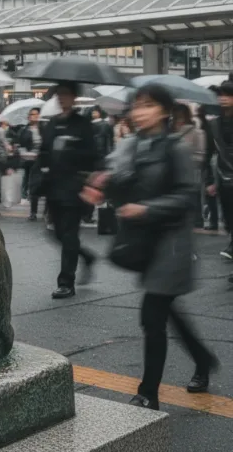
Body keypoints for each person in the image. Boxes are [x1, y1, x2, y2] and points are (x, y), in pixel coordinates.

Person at [92, 84, 217, 410]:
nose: (139, 111)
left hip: (171, 244)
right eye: (136, 106)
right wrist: (104, 184)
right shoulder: (133, 146)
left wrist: (147, 209)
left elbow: (187, 198)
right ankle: (203, 359)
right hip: (146, 243)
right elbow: (125, 188)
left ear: (163, 110)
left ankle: (148, 393)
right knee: (167, 311)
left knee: (152, 315)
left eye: (147, 105)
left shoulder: (174, 148)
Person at [39, 81, 97, 299]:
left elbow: (92, 156)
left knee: (70, 236)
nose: (61, 98)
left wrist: (70, 148)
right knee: (57, 234)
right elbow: (43, 153)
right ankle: (86, 256)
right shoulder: (52, 124)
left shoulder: (83, 124)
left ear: (74, 97)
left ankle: (66, 282)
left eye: (65, 94)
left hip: (74, 189)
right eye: (59, 95)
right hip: (53, 188)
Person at [206, 82, 233, 259]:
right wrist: (210, 180)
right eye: (221, 95)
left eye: (228, 95)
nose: (223, 98)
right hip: (224, 174)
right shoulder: (214, 123)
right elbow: (208, 152)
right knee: (228, 213)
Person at [172, 103, 205, 229]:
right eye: (176, 116)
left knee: (192, 195)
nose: (178, 119)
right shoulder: (169, 130)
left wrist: (187, 159)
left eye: (181, 116)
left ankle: (196, 219)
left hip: (190, 171)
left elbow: (201, 155)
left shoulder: (196, 132)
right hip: (173, 172)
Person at [19, 107, 43, 220]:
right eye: (32, 114)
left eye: (36, 114)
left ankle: (48, 212)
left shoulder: (44, 128)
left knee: (45, 186)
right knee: (33, 186)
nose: (35, 116)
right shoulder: (24, 130)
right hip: (30, 161)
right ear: (29, 116)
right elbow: (21, 145)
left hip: (43, 160)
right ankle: (33, 212)